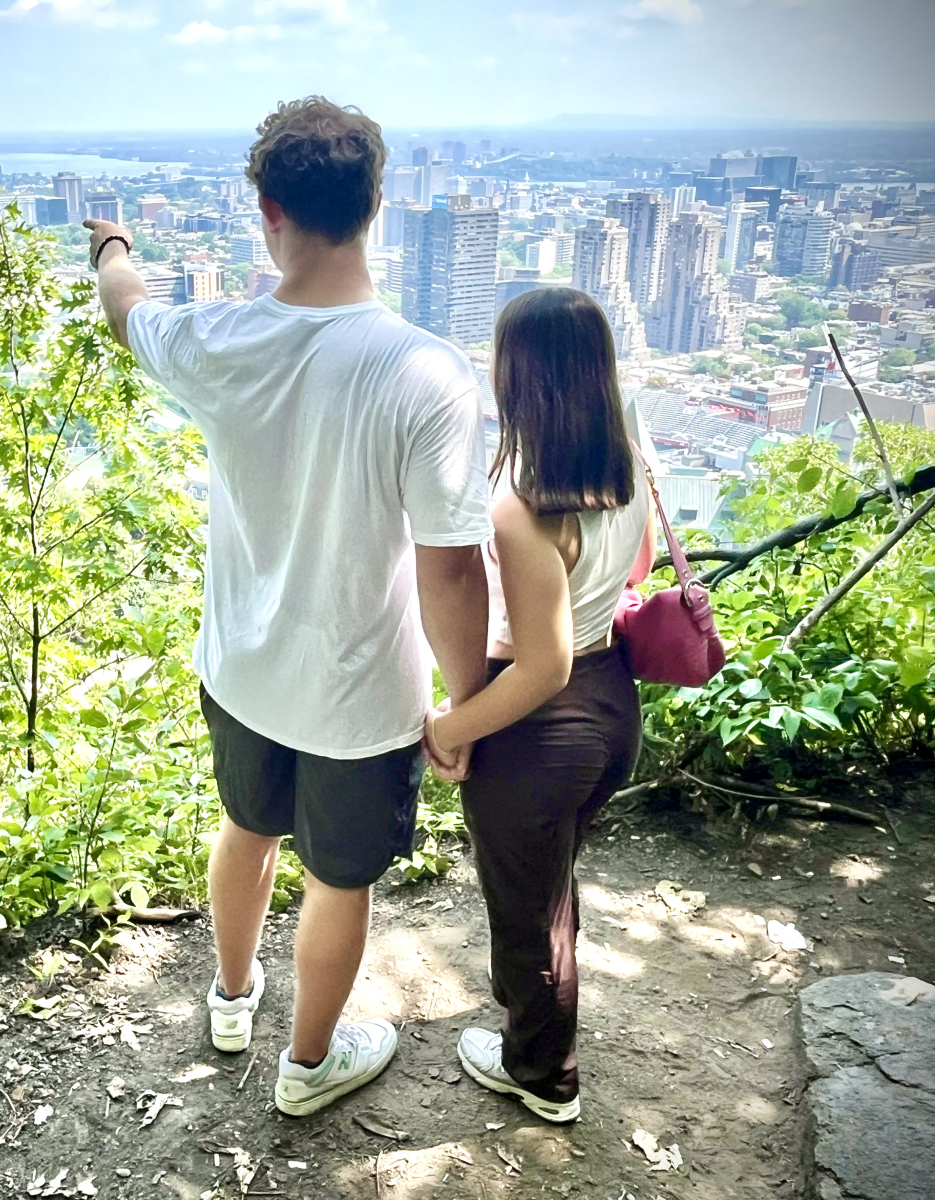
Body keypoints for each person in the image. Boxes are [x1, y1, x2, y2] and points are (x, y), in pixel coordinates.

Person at [84, 97, 492, 1117]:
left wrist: (115, 244)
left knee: (245, 827)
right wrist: (468, 707)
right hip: (358, 698)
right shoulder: (425, 372)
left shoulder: (218, 340)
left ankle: (231, 1001)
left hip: (241, 665)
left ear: (266, 209)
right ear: (377, 206)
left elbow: (123, 304)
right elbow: (449, 569)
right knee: (336, 883)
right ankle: (307, 1067)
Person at [423, 287, 655, 1124]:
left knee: (523, 909)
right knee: (549, 885)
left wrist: (447, 728)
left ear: (515, 375)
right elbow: (642, 566)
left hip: (540, 729)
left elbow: (541, 665)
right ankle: (542, 1020)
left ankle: (543, 1073)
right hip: (614, 707)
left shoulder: (524, 505)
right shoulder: (624, 455)